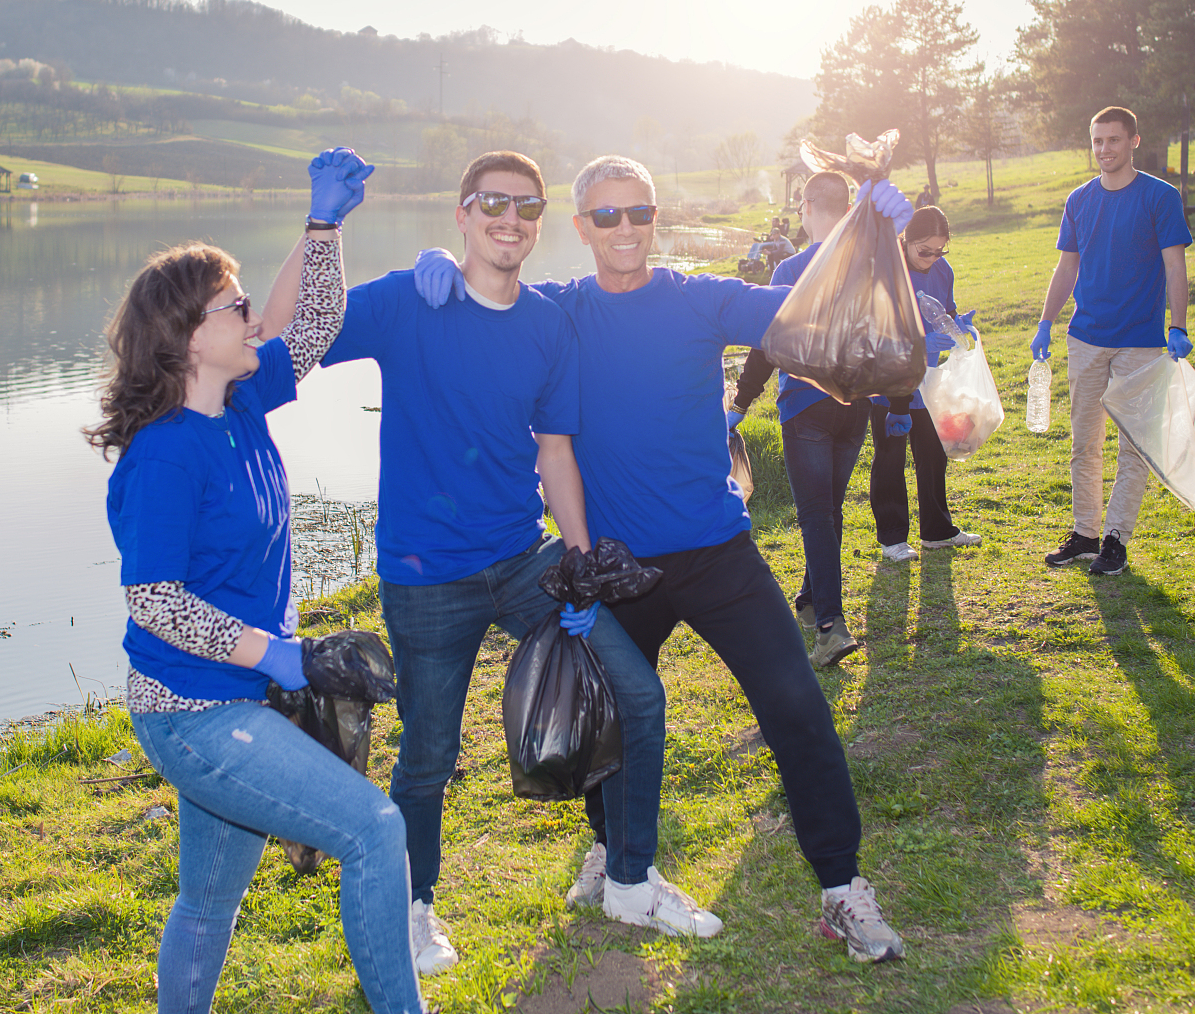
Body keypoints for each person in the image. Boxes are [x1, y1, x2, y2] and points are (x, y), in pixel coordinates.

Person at [413, 155, 911, 963]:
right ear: (579, 228)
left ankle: (842, 888)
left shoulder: (699, 297)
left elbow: (814, 309)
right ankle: (611, 854)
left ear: (655, 218)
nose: (623, 230)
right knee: (606, 716)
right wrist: (437, 266)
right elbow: (483, 301)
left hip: (717, 551)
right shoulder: (558, 311)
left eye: (637, 214)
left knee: (796, 704)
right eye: (604, 217)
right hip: (614, 568)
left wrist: (871, 229)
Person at [319, 150, 678, 976]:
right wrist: (327, 225)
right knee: (429, 755)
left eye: (526, 206)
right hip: (426, 577)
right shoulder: (412, 299)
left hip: (524, 559)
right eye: (492, 202)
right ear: (462, 212)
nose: (509, 218)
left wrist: (580, 562)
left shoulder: (549, 322)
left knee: (635, 692)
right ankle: (412, 910)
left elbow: (554, 451)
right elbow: (298, 332)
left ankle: (628, 877)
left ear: (543, 221)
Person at [89, 150, 426, 1014]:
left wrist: (324, 229)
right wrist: (284, 657)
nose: (250, 313)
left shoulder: (236, 402)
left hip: (237, 695)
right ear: (188, 336)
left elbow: (310, 325)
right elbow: (155, 602)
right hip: (196, 712)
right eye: (232, 304)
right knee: (373, 827)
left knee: (208, 899)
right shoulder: (166, 454)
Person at [732, 181, 978, 668]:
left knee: (818, 515)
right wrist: (902, 406)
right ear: (847, 211)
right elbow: (895, 344)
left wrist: (740, 402)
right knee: (827, 511)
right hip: (858, 409)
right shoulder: (872, 269)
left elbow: (766, 342)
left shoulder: (791, 268)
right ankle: (808, 600)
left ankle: (829, 625)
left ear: (804, 209)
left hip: (804, 407)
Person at [1030, 106, 1193, 578]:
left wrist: (1177, 325)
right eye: (1098, 141)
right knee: (1085, 444)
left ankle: (1115, 538)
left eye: (1114, 140)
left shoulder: (1159, 197)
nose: (1104, 149)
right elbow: (1067, 267)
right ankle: (1084, 534)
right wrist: (1046, 322)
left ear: (1134, 142)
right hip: (1086, 339)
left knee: (1134, 444)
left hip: (1140, 341)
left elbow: (1174, 264)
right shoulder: (1079, 200)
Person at [868, 203, 981, 575]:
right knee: (891, 457)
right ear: (906, 239)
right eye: (925, 251)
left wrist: (957, 326)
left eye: (940, 251)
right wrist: (921, 340)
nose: (932, 258)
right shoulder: (887, 271)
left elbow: (944, 310)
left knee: (933, 455)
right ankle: (892, 538)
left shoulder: (942, 270)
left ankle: (937, 530)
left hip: (928, 382)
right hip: (888, 379)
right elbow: (878, 328)